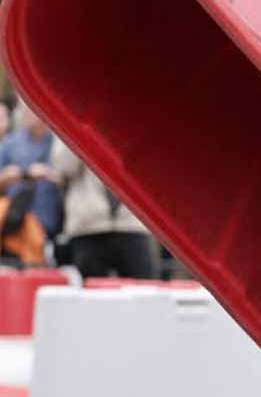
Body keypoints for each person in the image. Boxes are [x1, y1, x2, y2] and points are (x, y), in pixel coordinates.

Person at [52, 139, 160, 279]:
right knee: (93, 294)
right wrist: (83, 132)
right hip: (89, 226)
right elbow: (64, 167)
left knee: (145, 288)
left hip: (132, 223)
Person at [0, 101, 64, 241]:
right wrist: (13, 175)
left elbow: (70, 180)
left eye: (31, 110)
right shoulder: (10, 144)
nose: (26, 114)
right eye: (24, 110)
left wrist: (48, 174)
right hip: (17, 223)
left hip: (51, 220)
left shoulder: (59, 141)